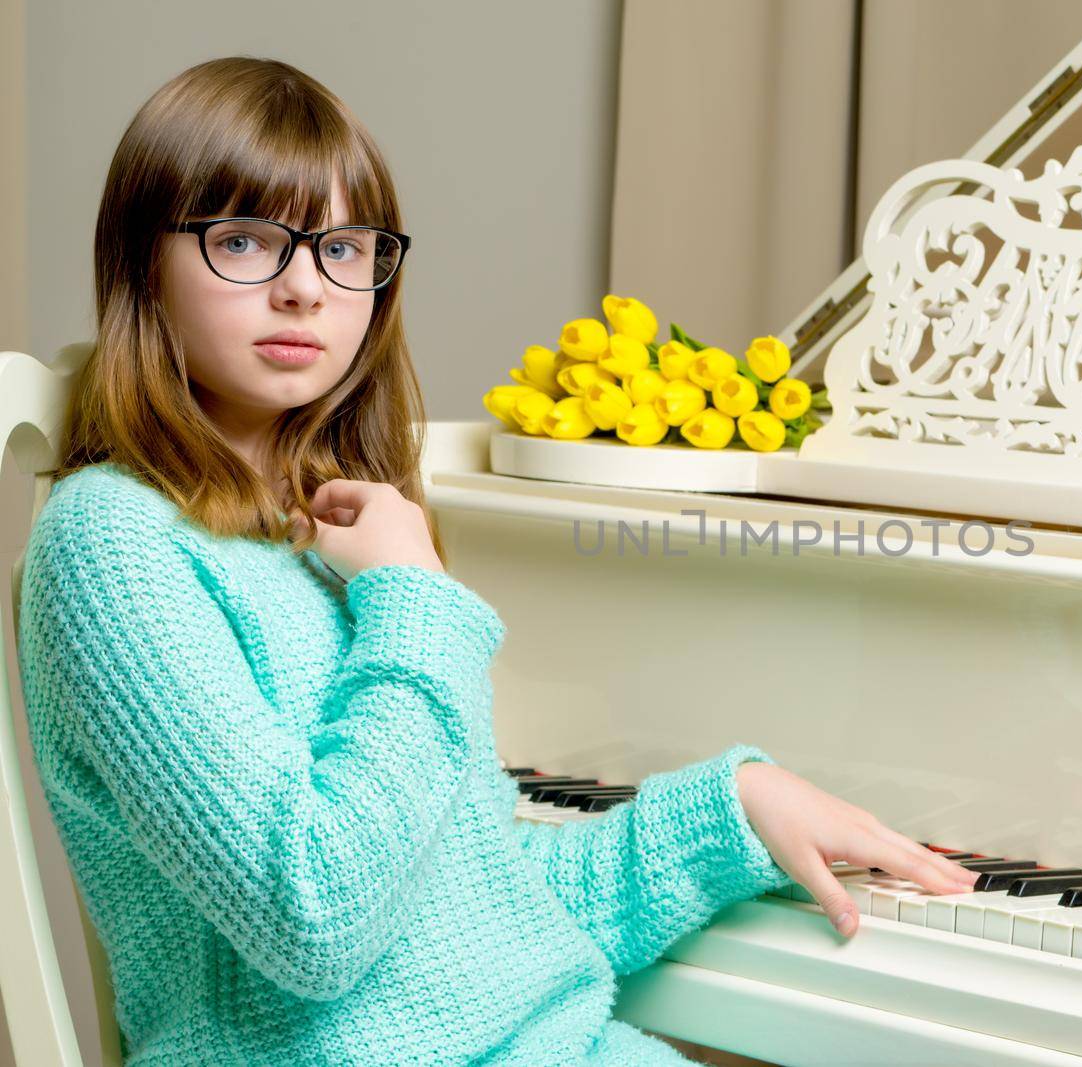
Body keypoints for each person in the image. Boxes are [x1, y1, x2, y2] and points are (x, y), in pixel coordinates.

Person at [15, 56, 978, 1066]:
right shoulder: (113, 546)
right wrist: (414, 595)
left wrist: (728, 811)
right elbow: (317, 913)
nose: (305, 287)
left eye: (342, 246)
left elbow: (476, 921)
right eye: (246, 239)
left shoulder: (335, 525)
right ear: (141, 262)